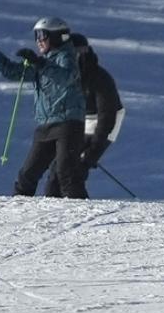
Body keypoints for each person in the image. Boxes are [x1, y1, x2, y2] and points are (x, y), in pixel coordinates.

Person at [0, 17, 87, 198]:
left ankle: (83, 214)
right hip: (46, 125)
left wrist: (40, 64)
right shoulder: (44, 62)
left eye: (43, 35)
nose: (39, 40)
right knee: (27, 176)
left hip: (68, 124)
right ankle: (17, 212)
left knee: (67, 175)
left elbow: (66, 77)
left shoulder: (67, 56)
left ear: (57, 36)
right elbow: (14, 72)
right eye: (36, 36)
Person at [45, 33, 124, 198]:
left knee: (74, 171)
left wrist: (92, 152)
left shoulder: (100, 78)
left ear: (83, 53)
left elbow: (107, 118)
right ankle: (52, 211)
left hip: (103, 122)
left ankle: (79, 212)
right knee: (56, 172)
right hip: (78, 121)